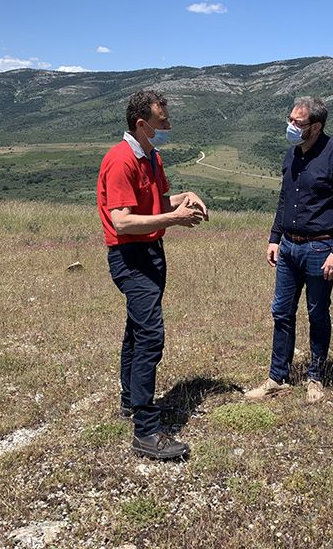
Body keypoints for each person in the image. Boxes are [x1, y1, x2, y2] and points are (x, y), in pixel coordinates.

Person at [97, 90, 208, 460]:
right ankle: (146, 431)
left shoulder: (151, 157)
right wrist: (174, 219)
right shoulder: (120, 160)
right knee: (150, 336)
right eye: (162, 122)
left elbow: (158, 203)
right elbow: (122, 221)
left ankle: (130, 401)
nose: (168, 127)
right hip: (130, 256)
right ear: (141, 124)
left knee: (136, 329)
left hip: (150, 253)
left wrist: (185, 197)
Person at [246, 96, 333, 403]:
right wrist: (274, 237)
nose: (291, 126)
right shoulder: (292, 154)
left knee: (317, 313)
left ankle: (315, 377)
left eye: (299, 123)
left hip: (321, 247)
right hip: (288, 246)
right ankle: (277, 377)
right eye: (290, 119)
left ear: (317, 126)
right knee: (281, 312)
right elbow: (285, 199)